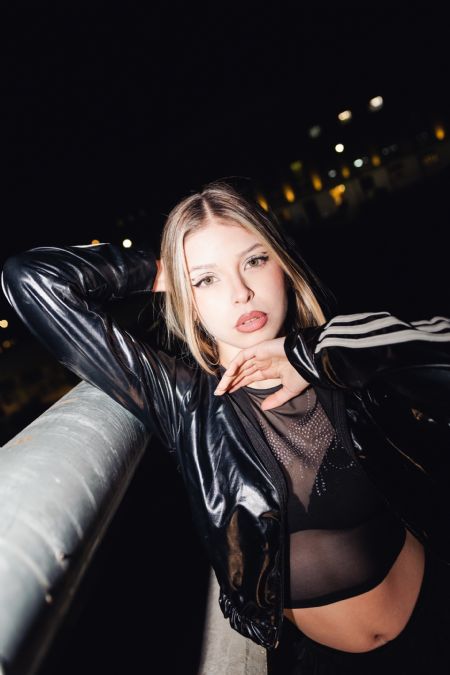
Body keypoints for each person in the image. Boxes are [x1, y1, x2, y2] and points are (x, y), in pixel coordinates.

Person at [2, 180, 450, 675]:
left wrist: (315, 354)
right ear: (184, 295)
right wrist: (159, 269)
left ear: (283, 264)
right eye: (206, 280)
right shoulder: (184, 400)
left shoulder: (341, 362)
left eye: (254, 260)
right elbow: (31, 279)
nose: (241, 293)